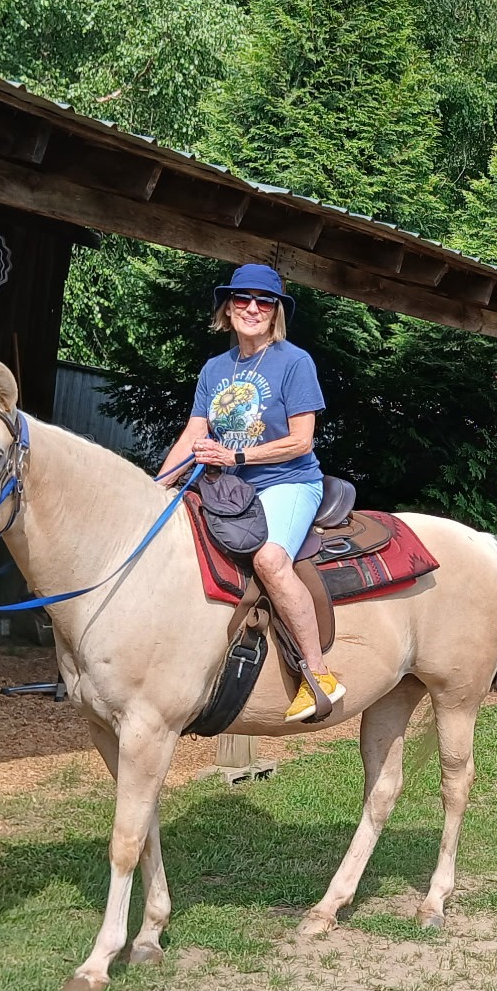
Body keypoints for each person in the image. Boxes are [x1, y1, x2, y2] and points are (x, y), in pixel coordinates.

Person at [160, 263, 342, 722]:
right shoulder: (214, 368)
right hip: (227, 488)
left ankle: (318, 676)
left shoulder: (295, 362)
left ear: (277, 311)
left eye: (264, 301)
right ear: (228, 308)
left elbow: (302, 441)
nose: (253, 308)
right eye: (242, 299)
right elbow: (192, 435)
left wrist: (236, 457)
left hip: (288, 482)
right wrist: (157, 489)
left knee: (270, 560)